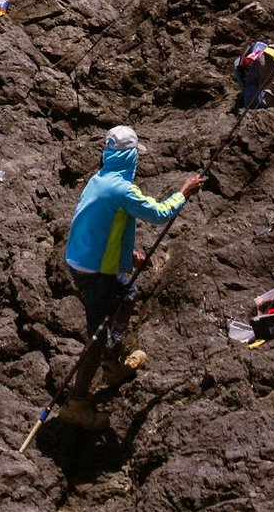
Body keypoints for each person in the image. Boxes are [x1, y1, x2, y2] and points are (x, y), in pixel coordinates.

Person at [59, 126, 205, 427]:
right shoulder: (122, 189)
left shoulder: (99, 180)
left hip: (83, 258)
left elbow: (108, 226)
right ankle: (77, 402)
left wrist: (127, 257)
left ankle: (113, 364)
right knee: (97, 335)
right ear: (129, 157)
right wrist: (183, 193)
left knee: (127, 294)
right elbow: (159, 214)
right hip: (94, 270)